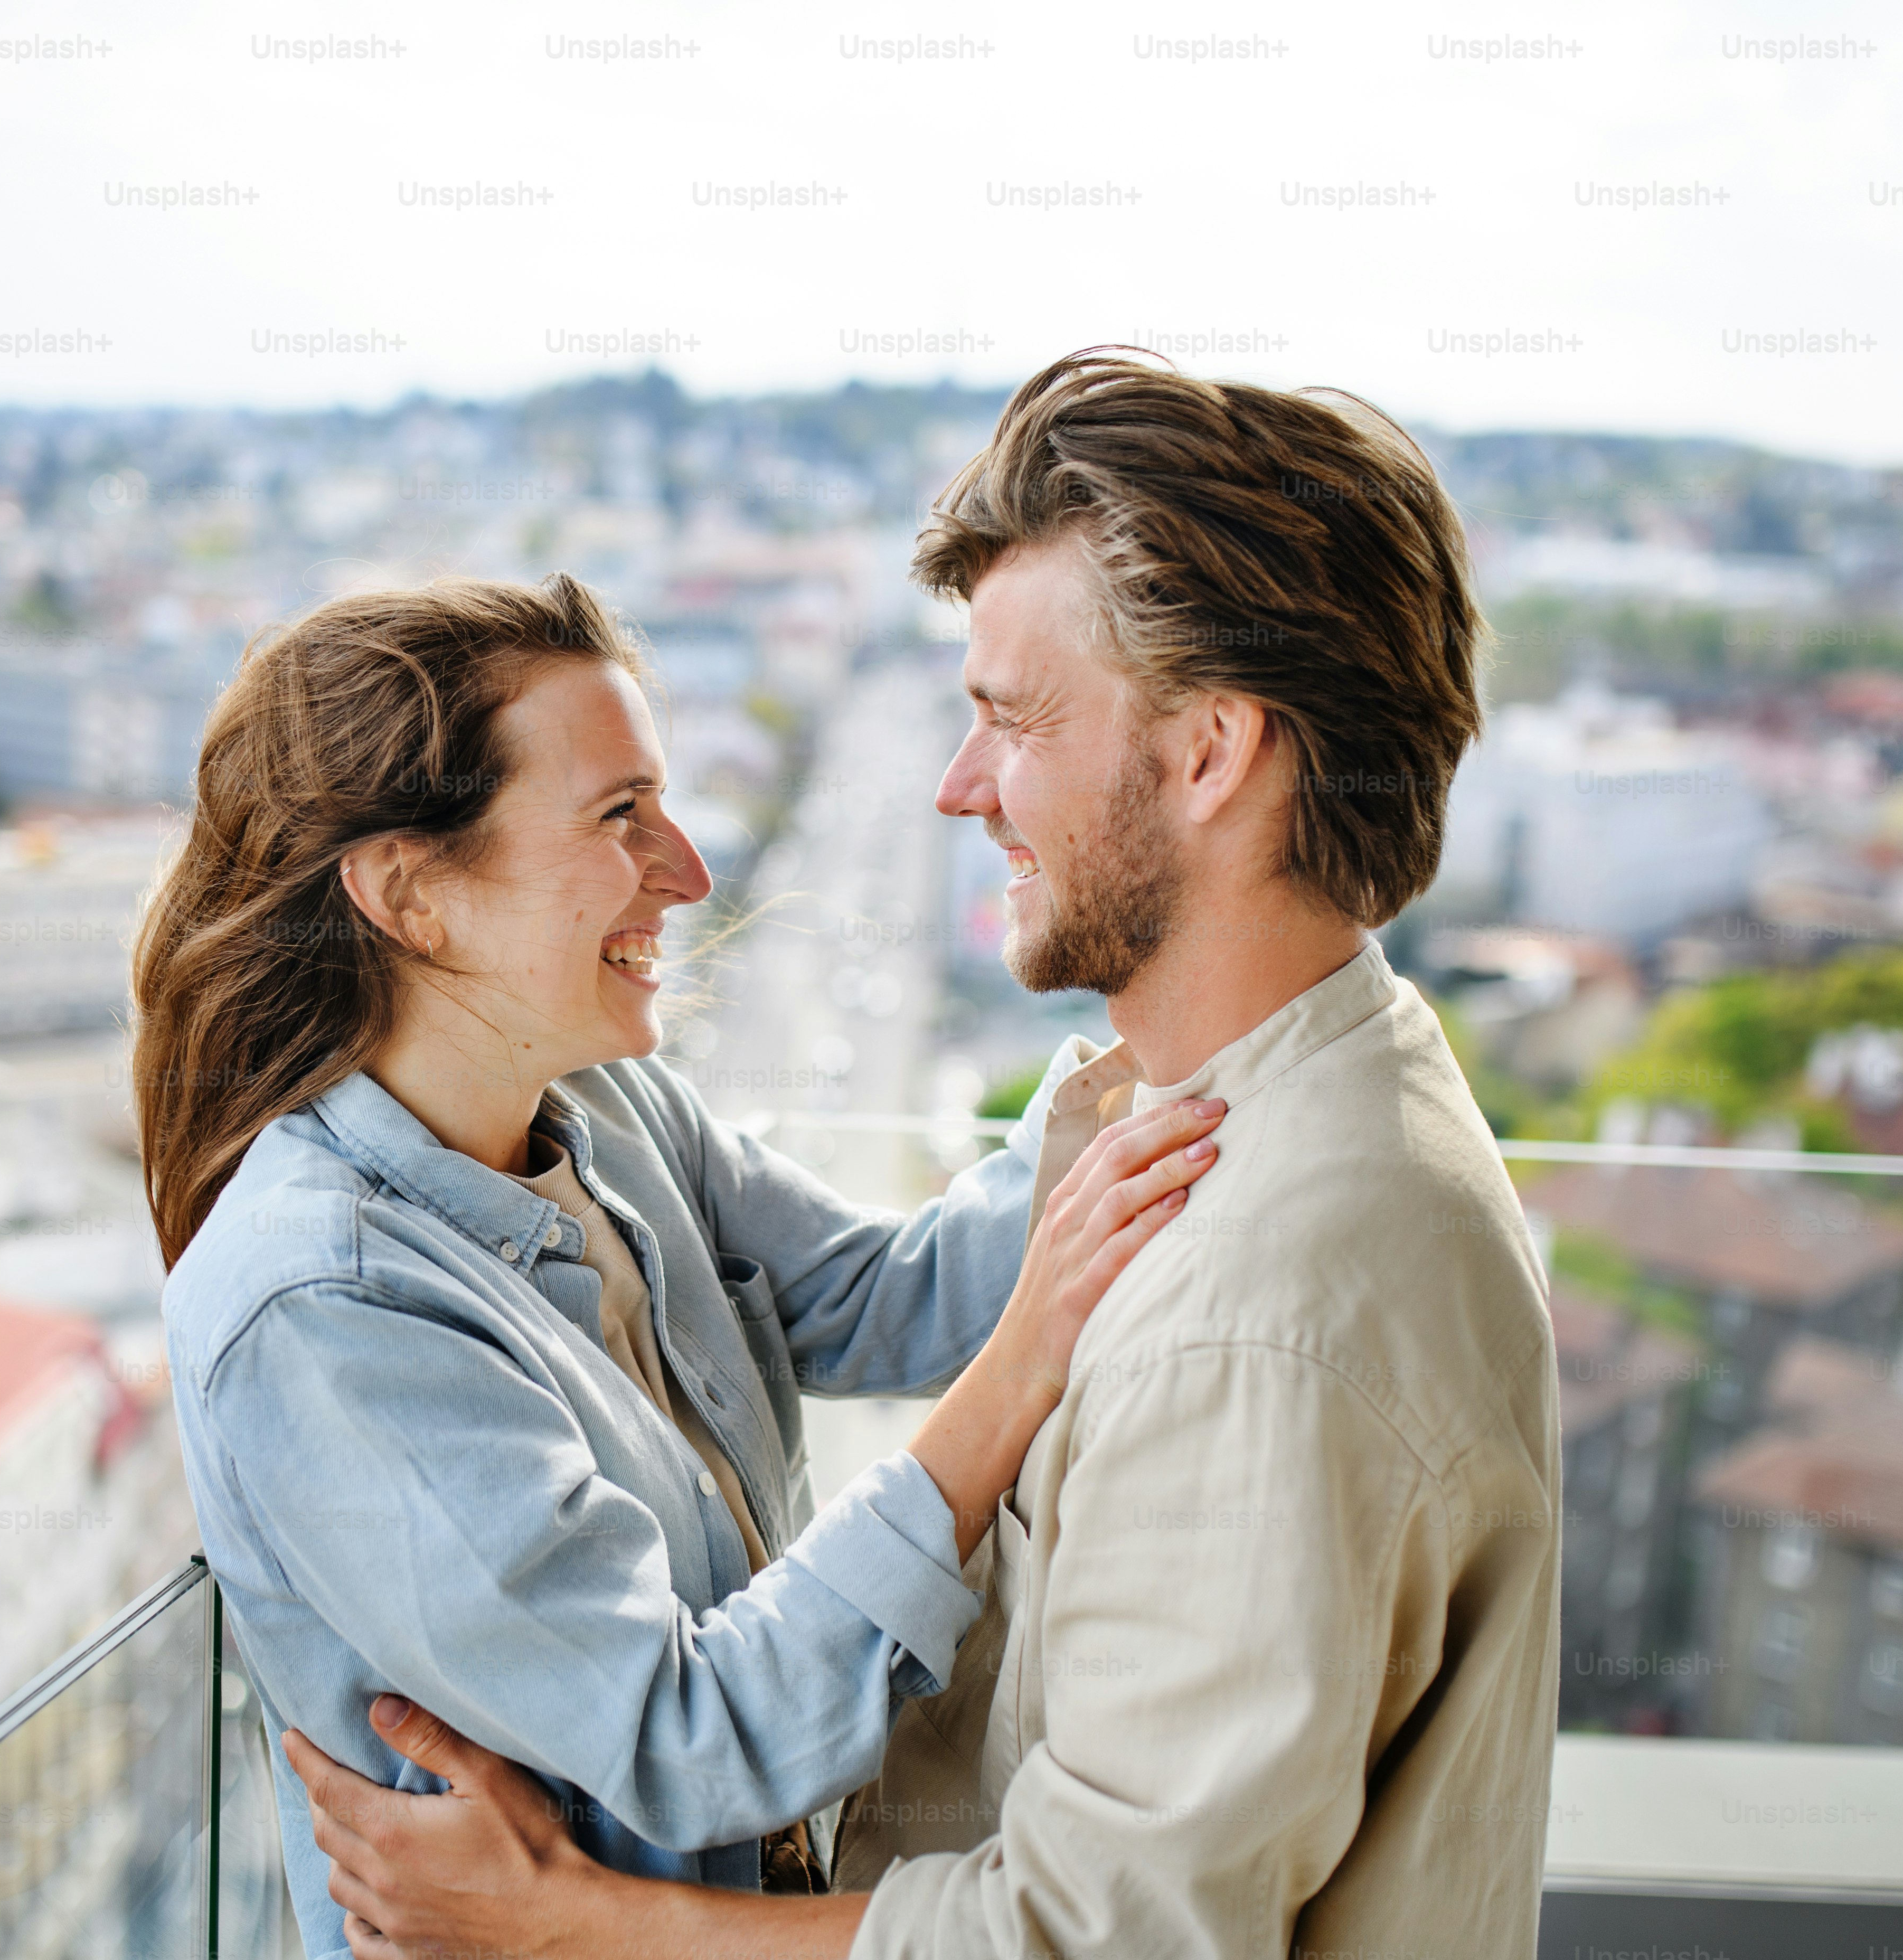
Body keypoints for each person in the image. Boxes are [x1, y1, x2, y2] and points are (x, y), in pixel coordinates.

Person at [286, 351, 1563, 1959]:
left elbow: (1086, 1943)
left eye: (1014, 723)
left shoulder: (1265, 1307)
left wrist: (581, 1923)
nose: (961, 789)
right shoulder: (1266, 1126)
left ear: (1211, 753)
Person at [136, 571, 1226, 1960]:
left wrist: (1180, 1037)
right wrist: (1024, 1369)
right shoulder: (323, 1307)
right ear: (412, 894)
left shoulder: (605, 1112)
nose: (691, 872)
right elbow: (695, 1739)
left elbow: (886, 1300)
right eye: (618, 815)